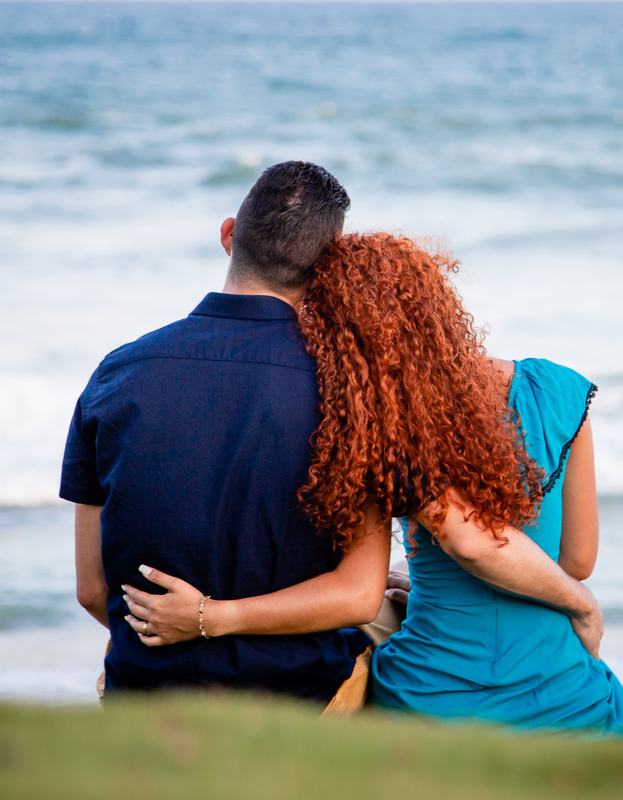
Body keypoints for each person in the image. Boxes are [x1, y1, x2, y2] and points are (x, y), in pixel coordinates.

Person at [124, 232, 623, 738]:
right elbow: (574, 561)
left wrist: (583, 607)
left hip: (433, 702)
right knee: (382, 605)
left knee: (345, 640)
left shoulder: (389, 425)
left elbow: (471, 541)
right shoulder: (560, 389)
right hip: (571, 705)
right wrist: (458, 584)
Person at [60, 161, 390, 703]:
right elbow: (358, 596)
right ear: (329, 267)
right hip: (300, 695)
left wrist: (188, 634)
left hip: (147, 689)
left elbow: (92, 589)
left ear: (229, 234)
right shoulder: (349, 392)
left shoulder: (117, 374)